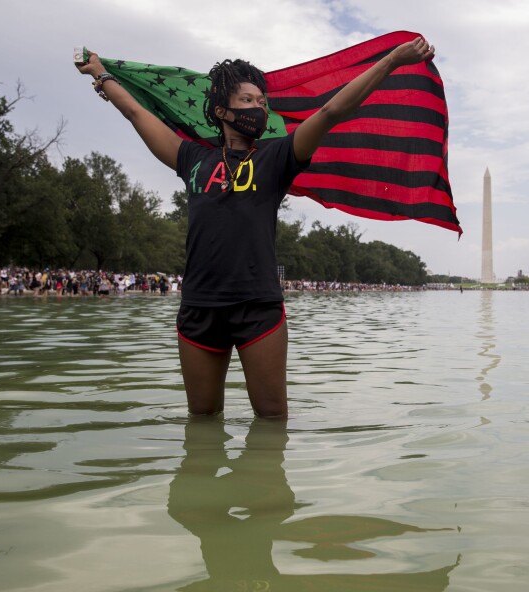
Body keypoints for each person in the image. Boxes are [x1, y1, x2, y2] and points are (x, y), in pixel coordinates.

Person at [76, 38, 436, 418]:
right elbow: (134, 111)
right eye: (248, 101)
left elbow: (332, 110)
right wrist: (100, 73)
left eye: (262, 102)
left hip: (258, 310)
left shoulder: (278, 157)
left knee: (271, 421)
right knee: (201, 422)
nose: (259, 108)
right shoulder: (191, 158)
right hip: (199, 308)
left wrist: (393, 59)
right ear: (222, 111)